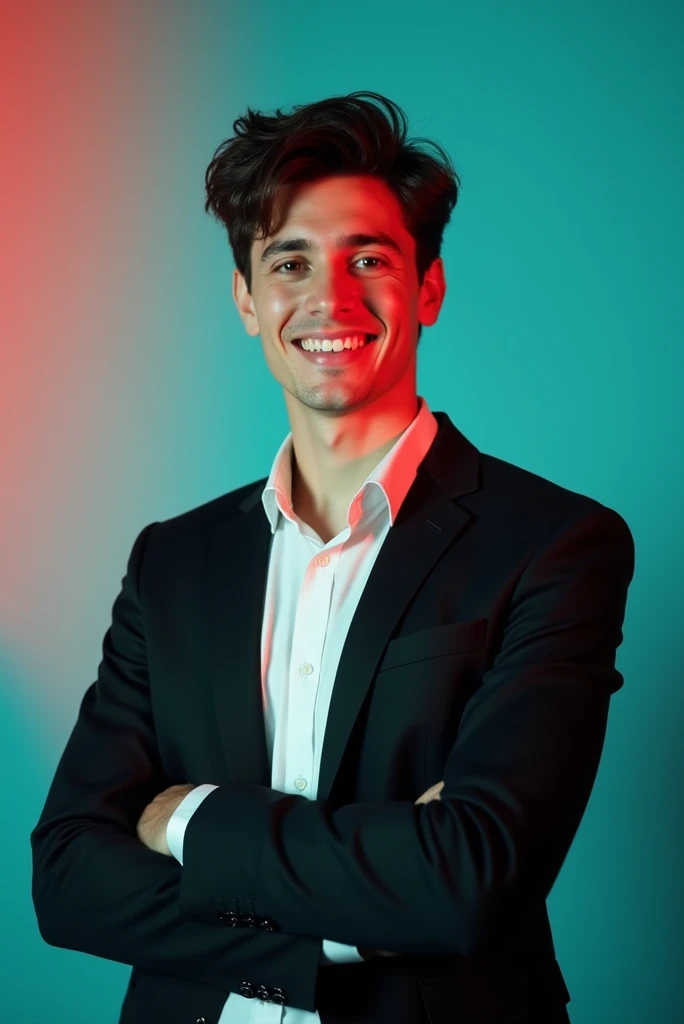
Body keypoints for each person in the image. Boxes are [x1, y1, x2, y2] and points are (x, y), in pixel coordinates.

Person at [30, 91, 635, 1024]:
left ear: (427, 286)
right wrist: (359, 915)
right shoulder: (172, 562)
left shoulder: (556, 545)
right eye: (290, 261)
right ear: (246, 299)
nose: (331, 299)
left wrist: (184, 818)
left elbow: (467, 879)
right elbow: (70, 874)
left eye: (369, 258)